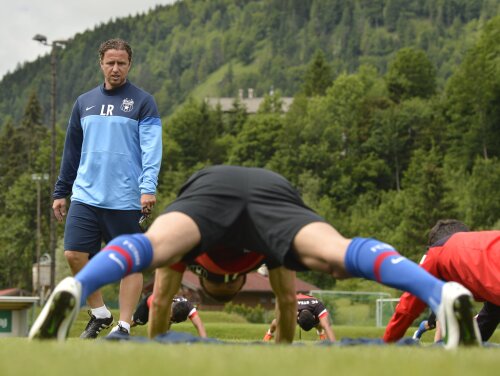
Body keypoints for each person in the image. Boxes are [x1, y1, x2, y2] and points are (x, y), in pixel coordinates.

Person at [30, 166, 480, 349]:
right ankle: (440, 293)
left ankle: (78, 286)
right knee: (339, 254)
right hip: (270, 187)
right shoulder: (268, 254)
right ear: (244, 277)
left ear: (204, 276)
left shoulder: (187, 256)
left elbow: (161, 304)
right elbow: (287, 305)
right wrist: (281, 356)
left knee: (150, 248)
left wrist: (159, 346)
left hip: (212, 185)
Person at [51, 38, 162, 339]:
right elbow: (71, 151)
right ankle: (99, 311)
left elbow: (152, 149)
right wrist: (61, 191)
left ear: (130, 65)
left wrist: (147, 187)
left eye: (121, 63)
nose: (115, 68)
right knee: (74, 254)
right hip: (86, 196)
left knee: (130, 262)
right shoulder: (83, 102)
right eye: (110, 62)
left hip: (126, 198)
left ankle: (123, 326)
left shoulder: (143, 101)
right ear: (100, 63)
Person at [384, 219, 500, 344]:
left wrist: (388, 340)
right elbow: (491, 313)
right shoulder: (484, 247)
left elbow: (408, 303)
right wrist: (465, 343)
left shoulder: (437, 251)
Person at [263, 293, 336, 341]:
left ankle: (321, 333)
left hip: (309, 307)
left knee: (321, 324)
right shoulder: (290, 307)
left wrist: (333, 344)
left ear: (314, 317)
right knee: (277, 322)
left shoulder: (318, 305)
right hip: (294, 304)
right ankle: (269, 334)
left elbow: (326, 325)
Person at [132, 293, 207, 338]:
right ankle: (122, 327)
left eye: (171, 317)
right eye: (169, 315)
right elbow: (153, 325)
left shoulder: (189, 308)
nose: (169, 317)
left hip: (164, 313)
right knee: (135, 322)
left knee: (165, 329)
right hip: (149, 305)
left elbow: (199, 325)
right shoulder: (163, 302)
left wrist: (205, 342)